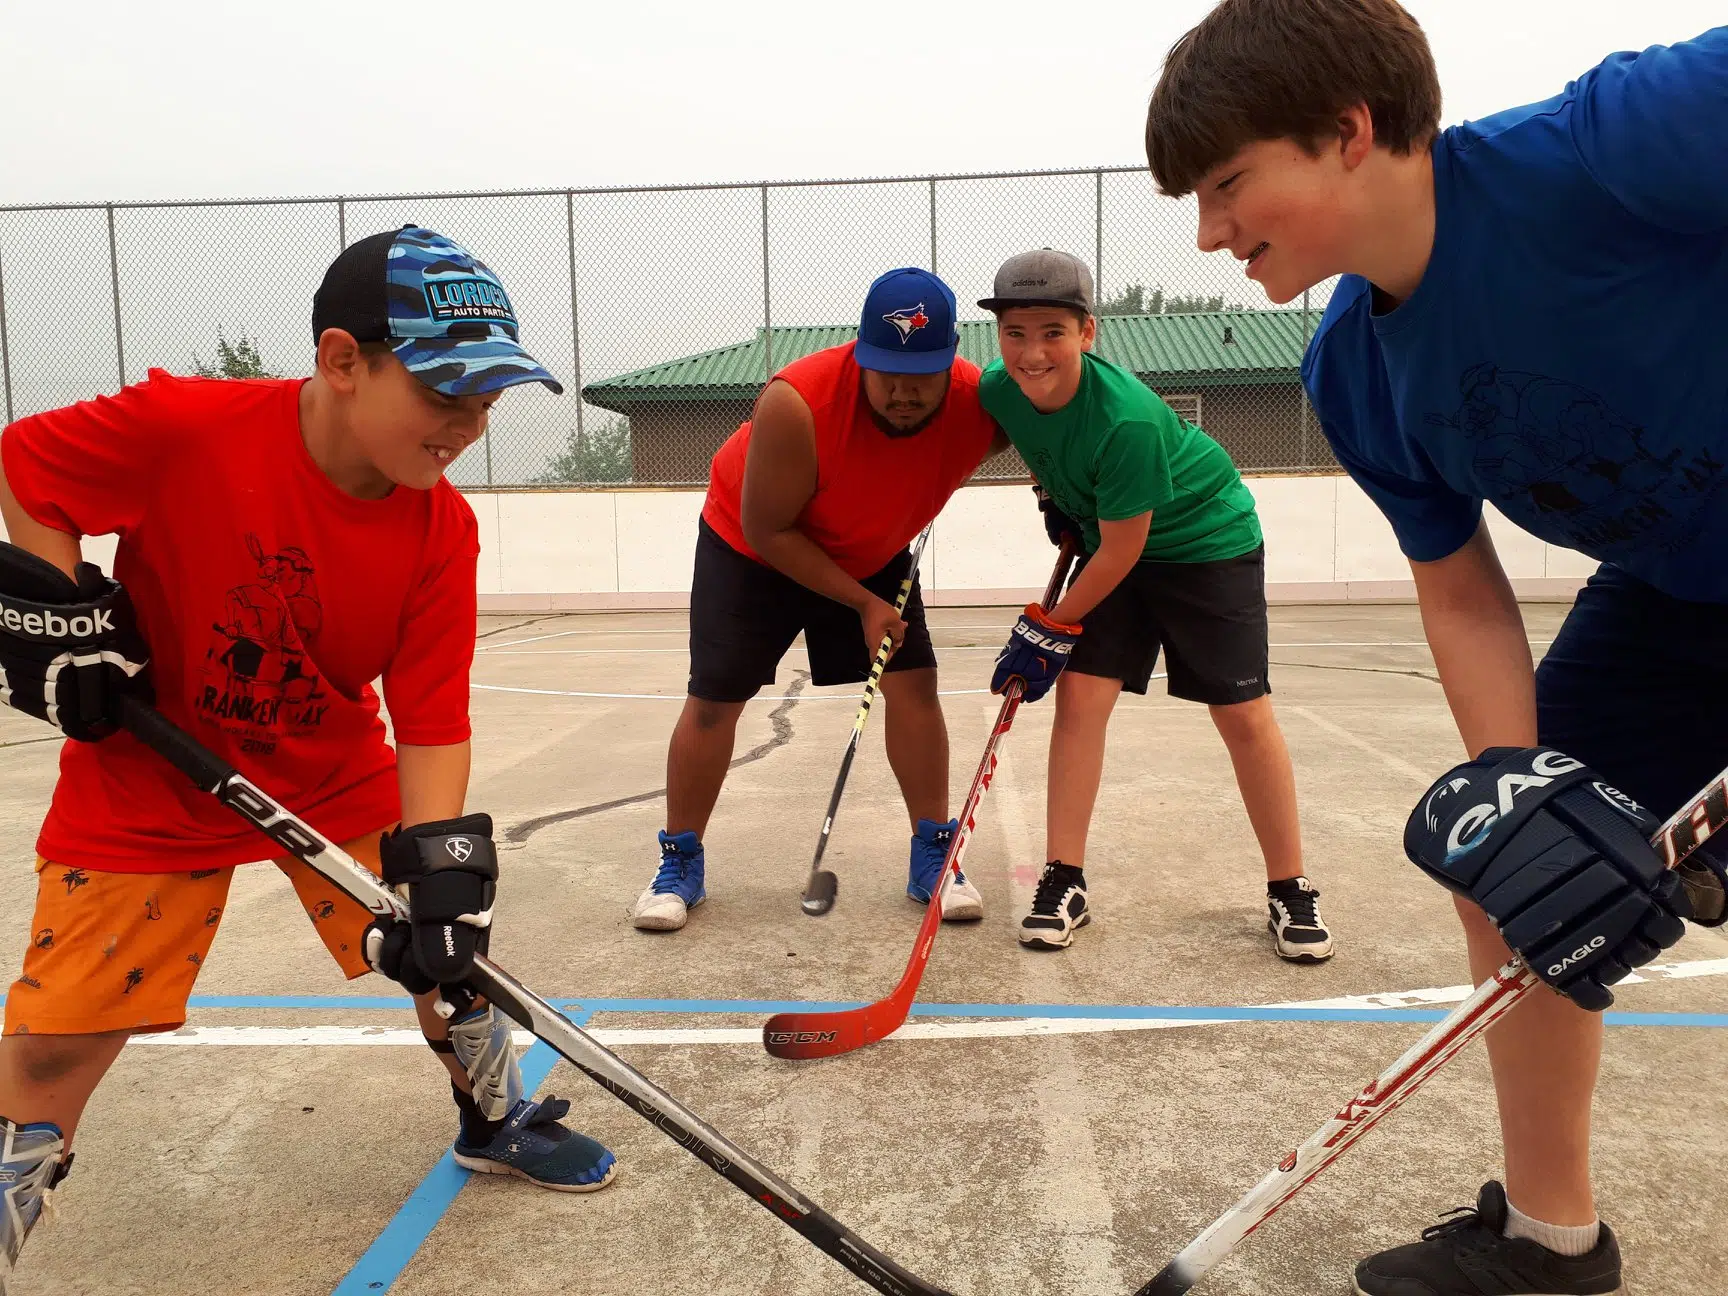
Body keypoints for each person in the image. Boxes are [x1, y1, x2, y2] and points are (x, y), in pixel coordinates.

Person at [1146, 5, 1726, 1293]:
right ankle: (1551, 1240)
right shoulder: (1351, 368)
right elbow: (1461, 592)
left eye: (1229, 185)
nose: (1210, 233)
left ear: (1348, 132)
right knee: (1508, 869)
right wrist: (1525, 793)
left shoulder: (1618, 141)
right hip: (1677, 596)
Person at [0, 226, 618, 1290]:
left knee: (452, 959)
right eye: (444, 396)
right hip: (145, 779)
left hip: (331, 775)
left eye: (487, 402)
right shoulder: (185, 428)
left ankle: (491, 1111)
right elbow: (28, 470)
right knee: (58, 1039)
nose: (468, 427)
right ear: (342, 361)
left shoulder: (440, 532)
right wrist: (55, 618)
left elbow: (429, 718)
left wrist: (440, 872)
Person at [978, 248, 1328, 962]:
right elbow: (1042, 454)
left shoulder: (1127, 420)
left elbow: (1122, 554)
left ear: (1087, 333)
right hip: (1112, 541)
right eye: (1015, 332)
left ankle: (1290, 888)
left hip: (1205, 542)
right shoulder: (999, 391)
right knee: (1081, 702)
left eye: (1052, 331)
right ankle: (1064, 879)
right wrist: (1054, 498)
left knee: (1242, 711)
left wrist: (1050, 627)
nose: (1032, 351)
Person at [633, 267, 1005, 932]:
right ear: (858, 352)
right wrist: (864, 604)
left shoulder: (980, 404)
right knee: (716, 698)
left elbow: (1054, 441)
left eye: (921, 374)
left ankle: (934, 855)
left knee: (914, 684)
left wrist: (1061, 499)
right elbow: (769, 529)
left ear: (951, 365)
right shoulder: (797, 404)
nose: (901, 391)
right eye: (885, 369)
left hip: (872, 545)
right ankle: (679, 862)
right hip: (753, 545)